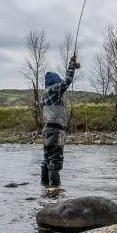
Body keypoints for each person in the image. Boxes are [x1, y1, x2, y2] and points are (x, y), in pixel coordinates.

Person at [40, 55, 80, 187]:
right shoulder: (54, 89)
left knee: (47, 159)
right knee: (55, 161)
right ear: (55, 82)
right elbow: (67, 81)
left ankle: (45, 187)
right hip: (56, 130)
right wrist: (72, 64)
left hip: (47, 130)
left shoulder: (45, 94)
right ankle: (55, 191)